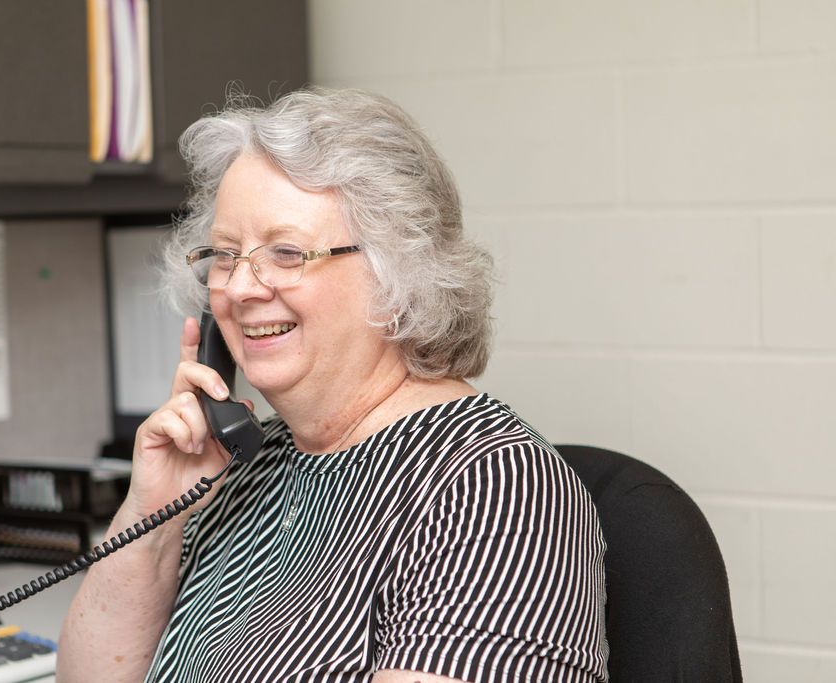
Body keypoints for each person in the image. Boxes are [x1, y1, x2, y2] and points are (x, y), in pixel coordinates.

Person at [57, 87, 608, 683]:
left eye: (287, 252)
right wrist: (154, 517)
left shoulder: (492, 491)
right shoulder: (246, 463)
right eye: (224, 255)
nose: (240, 289)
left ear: (400, 273)